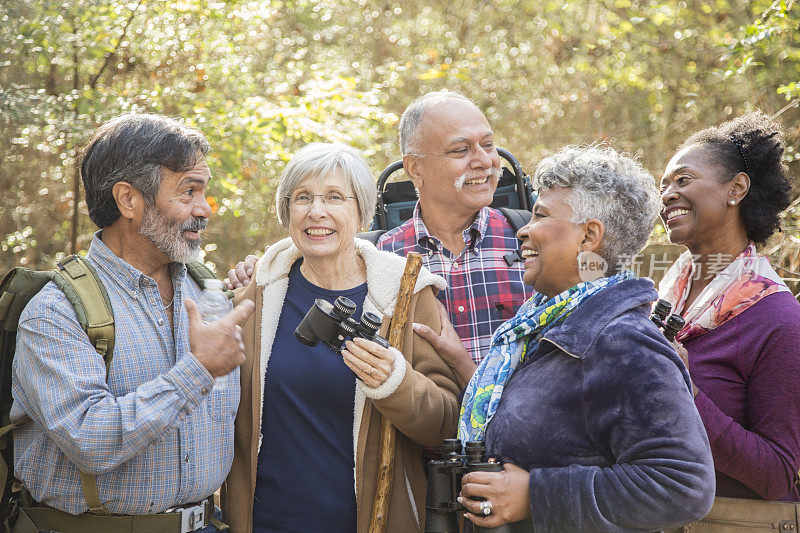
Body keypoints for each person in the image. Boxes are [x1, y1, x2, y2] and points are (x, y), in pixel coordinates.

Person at [453, 146, 715, 531]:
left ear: (589, 235)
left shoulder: (623, 343)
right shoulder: (539, 328)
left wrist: (535, 495)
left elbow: (683, 486)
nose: (524, 227)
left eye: (541, 214)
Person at [12, 114, 254, 531]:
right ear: (128, 200)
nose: (204, 208)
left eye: (204, 191)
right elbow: (89, 439)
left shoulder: (209, 294)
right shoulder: (55, 312)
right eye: (188, 191)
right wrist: (197, 371)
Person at [221, 142, 460, 532]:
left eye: (334, 197)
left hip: (369, 521)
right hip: (264, 521)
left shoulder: (406, 295)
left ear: (362, 211)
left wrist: (395, 382)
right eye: (302, 198)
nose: (317, 211)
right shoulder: (259, 291)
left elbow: (447, 421)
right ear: (287, 212)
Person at [226, 91, 532, 366]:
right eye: (460, 150)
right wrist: (263, 268)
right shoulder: (379, 261)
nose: (484, 160)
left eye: (488, 145)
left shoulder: (533, 241)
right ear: (414, 169)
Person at [658, 112, 800, 502]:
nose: (667, 194)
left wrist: (685, 390)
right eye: (663, 186)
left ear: (736, 188)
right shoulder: (664, 302)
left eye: (683, 180)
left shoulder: (778, 320)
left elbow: (778, 476)